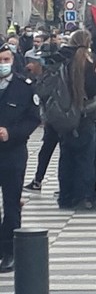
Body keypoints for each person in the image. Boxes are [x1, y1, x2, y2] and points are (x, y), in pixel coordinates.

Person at [56, 30, 96, 211]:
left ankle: (65, 196)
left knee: (66, 157)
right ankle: (83, 198)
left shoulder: (62, 58)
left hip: (63, 115)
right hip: (84, 114)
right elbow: (92, 89)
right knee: (85, 158)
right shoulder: (88, 59)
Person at [0, 43, 40, 272]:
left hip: (13, 152)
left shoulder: (23, 87)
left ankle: (9, 251)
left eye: (6, 60)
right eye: (0, 60)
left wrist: (11, 133)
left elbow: (33, 118)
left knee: (12, 202)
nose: (3, 64)